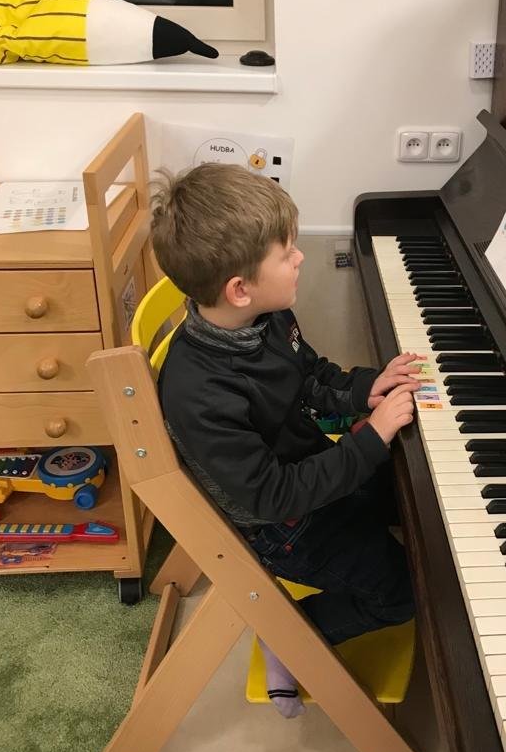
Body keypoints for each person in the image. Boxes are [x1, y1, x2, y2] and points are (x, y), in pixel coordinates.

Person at [150, 163, 422, 718]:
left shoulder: (265, 317)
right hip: (282, 527)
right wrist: (370, 439)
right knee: (405, 592)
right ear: (239, 288)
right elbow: (273, 496)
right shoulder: (200, 391)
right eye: (287, 252)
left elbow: (310, 375)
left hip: (309, 470)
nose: (299, 258)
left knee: (419, 502)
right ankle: (294, 636)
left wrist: (367, 388)